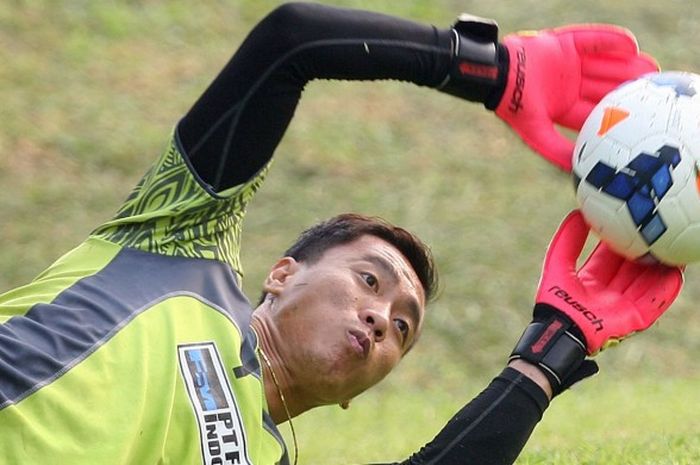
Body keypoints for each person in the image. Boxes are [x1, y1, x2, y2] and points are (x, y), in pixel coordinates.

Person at [0, 2, 684, 464]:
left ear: (362, 393)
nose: (381, 318)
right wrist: (483, 66)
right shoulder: (176, 243)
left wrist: (549, 353)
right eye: (369, 278)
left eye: (403, 328)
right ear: (282, 271)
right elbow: (291, 44)